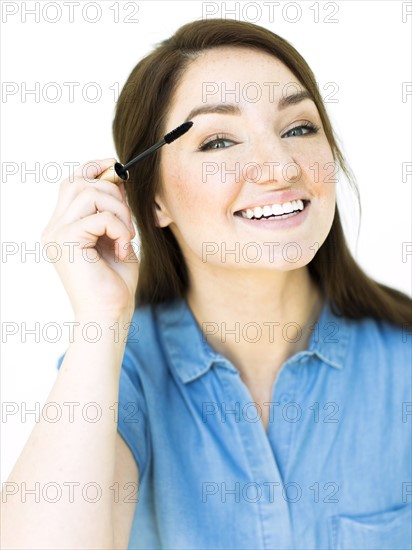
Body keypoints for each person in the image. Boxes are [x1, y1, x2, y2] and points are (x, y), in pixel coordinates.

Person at [2, 18, 411, 550]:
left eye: (298, 128)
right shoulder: (122, 374)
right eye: (218, 141)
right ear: (153, 202)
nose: (279, 166)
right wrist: (100, 319)